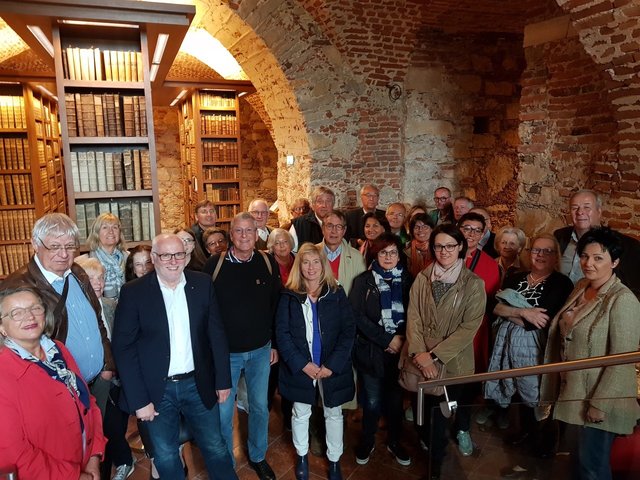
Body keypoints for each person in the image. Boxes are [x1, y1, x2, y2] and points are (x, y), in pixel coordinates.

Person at [112, 233, 236, 479]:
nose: (173, 261)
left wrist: (223, 380)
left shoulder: (202, 284)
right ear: (154, 258)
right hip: (156, 392)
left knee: (216, 446)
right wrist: (139, 400)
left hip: (198, 383)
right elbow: (123, 348)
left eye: (178, 254)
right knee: (166, 455)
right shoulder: (134, 292)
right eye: (165, 255)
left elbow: (217, 334)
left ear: (187, 256)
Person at [540, 227, 640, 480]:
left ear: (615, 262)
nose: (588, 263)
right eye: (585, 256)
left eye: (598, 258)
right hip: (575, 392)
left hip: (599, 399)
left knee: (593, 466)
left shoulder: (622, 300)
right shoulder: (582, 286)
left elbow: (622, 358)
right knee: (579, 461)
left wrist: (600, 404)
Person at [203, 212, 281, 480]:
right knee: (224, 414)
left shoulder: (267, 262)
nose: (245, 235)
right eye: (239, 231)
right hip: (226, 355)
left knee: (259, 407)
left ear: (257, 233)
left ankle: (258, 456)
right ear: (231, 235)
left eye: (250, 230)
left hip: (261, 350)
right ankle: (226, 463)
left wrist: (274, 343)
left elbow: (276, 306)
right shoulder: (215, 265)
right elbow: (205, 310)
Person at [0, 287, 106, 479]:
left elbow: (88, 402)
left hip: (86, 462)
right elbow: (13, 453)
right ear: (2, 327)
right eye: (16, 313)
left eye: (35, 308)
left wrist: (94, 458)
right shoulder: (3, 374)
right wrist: (76, 477)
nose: (30, 316)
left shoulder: (59, 350)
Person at [406, 223, 486, 480]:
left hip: (453, 362)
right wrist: (420, 353)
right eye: (439, 246)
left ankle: (436, 467)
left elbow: (469, 327)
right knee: (423, 411)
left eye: (450, 246)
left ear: (460, 246)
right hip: (420, 358)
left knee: (441, 416)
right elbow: (414, 317)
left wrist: (435, 356)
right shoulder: (422, 278)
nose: (444, 251)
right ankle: (426, 443)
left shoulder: (474, 284)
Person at [485, 234, 573, 460]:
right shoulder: (516, 276)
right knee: (516, 389)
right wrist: (522, 311)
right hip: (506, 344)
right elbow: (492, 305)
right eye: (536, 250)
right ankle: (526, 432)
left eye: (547, 251)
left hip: (538, 348)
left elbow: (540, 321)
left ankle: (545, 440)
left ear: (556, 257)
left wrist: (509, 312)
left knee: (537, 393)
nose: (540, 255)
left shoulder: (561, 283)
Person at [1, 213, 114, 386]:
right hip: (59, 388)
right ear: (35, 244)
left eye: (70, 246)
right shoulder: (17, 287)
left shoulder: (78, 272)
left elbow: (98, 321)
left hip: (99, 380)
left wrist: (107, 364)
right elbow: (12, 348)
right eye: (54, 247)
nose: (63, 254)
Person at [276, 243, 356, 480]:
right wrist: (302, 364)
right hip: (303, 367)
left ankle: (334, 461)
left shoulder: (336, 293)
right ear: (298, 266)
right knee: (300, 412)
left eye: (316, 262)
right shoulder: (289, 295)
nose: (311, 268)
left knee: (334, 414)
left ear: (323, 265)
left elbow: (348, 330)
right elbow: (282, 334)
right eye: (305, 262)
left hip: (331, 366)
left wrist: (333, 364)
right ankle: (301, 456)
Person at [350, 233, 413, 467]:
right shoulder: (363, 281)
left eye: (393, 252)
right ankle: (368, 440)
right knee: (373, 401)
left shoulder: (409, 279)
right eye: (383, 252)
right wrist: (387, 339)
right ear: (376, 254)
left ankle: (394, 441)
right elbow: (357, 316)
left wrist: (400, 339)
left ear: (399, 255)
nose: (388, 256)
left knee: (395, 401)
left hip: (401, 351)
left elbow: (415, 314)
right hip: (372, 351)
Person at [75, 257, 135, 480]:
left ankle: (124, 461)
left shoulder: (111, 305)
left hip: (118, 378)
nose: (98, 283)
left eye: (101, 277)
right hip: (93, 380)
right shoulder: (78, 312)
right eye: (91, 278)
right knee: (104, 428)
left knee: (116, 426)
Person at [455, 212, 500, 455]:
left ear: (483, 235)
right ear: (458, 229)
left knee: (467, 383)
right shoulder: (443, 254)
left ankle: (462, 427)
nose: (470, 234)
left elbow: (488, 300)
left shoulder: (490, 264)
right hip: (444, 331)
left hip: (473, 332)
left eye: (476, 230)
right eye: (466, 228)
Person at [554, 189, 640, 297]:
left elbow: (634, 290)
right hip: (560, 304)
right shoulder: (560, 236)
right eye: (574, 208)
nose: (580, 212)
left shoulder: (626, 245)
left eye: (587, 207)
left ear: (599, 212)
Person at [317, 210, 367, 296]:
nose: (334, 231)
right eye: (329, 226)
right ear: (323, 229)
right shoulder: (309, 254)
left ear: (344, 230)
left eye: (339, 227)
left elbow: (361, 293)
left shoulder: (357, 257)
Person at [85, 212, 128, 299]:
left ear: (119, 233)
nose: (111, 231)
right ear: (96, 233)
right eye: (105, 228)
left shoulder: (128, 258)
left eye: (115, 227)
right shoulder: (86, 261)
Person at [290, 186, 336, 251]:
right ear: (313, 205)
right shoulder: (299, 225)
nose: (324, 205)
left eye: (328, 201)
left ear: (333, 205)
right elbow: (292, 252)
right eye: (320, 202)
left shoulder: (341, 223)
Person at [404, 213, 434, 278]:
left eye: (425, 227)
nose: (420, 230)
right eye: (416, 227)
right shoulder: (407, 248)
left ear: (432, 229)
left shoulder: (438, 247)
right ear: (412, 231)